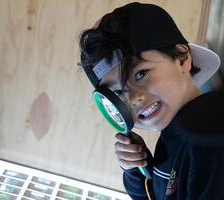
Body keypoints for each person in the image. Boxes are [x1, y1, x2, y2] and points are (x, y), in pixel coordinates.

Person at [78, 2, 224, 200]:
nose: (134, 98)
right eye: (119, 92)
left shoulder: (210, 135)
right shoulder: (175, 135)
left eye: (140, 74)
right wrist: (137, 169)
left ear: (182, 58)